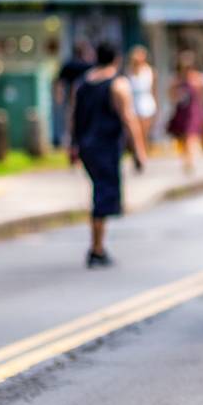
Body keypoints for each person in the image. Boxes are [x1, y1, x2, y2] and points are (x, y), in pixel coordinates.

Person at [68, 42, 147, 268]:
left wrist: (72, 145)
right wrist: (139, 151)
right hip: (105, 145)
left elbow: (73, 116)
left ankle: (97, 246)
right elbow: (129, 119)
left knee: (99, 191)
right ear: (116, 59)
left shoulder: (82, 83)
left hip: (86, 146)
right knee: (102, 195)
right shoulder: (118, 84)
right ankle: (96, 248)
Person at [166, 53, 203, 174]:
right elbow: (170, 96)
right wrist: (177, 96)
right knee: (183, 137)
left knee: (191, 135)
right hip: (182, 111)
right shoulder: (177, 80)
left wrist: (202, 110)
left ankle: (190, 160)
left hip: (193, 111)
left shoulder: (197, 79)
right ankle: (186, 158)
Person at [54, 41, 93, 149]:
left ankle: (72, 143)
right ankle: (75, 143)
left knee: (71, 121)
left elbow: (59, 82)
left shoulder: (69, 64)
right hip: (81, 99)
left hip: (73, 99)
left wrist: (58, 96)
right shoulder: (87, 65)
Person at [127, 45, 158, 151]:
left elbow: (154, 89)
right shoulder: (129, 71)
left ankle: (144, 149)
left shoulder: (150, 71)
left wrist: (156, 104)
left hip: (146, 101)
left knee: (144, 129)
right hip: (133, 102)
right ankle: (138, 150)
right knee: (136, 130)